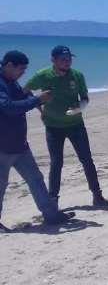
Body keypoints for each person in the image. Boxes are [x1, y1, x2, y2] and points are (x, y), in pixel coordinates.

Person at [24, 46, 108, 207]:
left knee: (87, 160)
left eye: (69, 58)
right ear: (53, 60)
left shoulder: (77, 75)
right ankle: (53, 201)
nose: (67, 61)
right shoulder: (43, 76)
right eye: (63, 59)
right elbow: (25, 90)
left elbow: (85, 98)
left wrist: (80, 108)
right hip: (53, 126)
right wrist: (39, 107)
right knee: (56, 163)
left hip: (76, 125)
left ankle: (97, 195)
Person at [1, 51, 75, 231]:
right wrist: (36, 100)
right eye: (21, 69)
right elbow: (8, 108)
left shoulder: (12, 81)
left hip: (19, 144)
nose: (23, 73)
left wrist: (39, 105)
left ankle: (51, 215)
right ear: (9, 65)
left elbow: (22, 96)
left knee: (36, 179)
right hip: (2, 147)